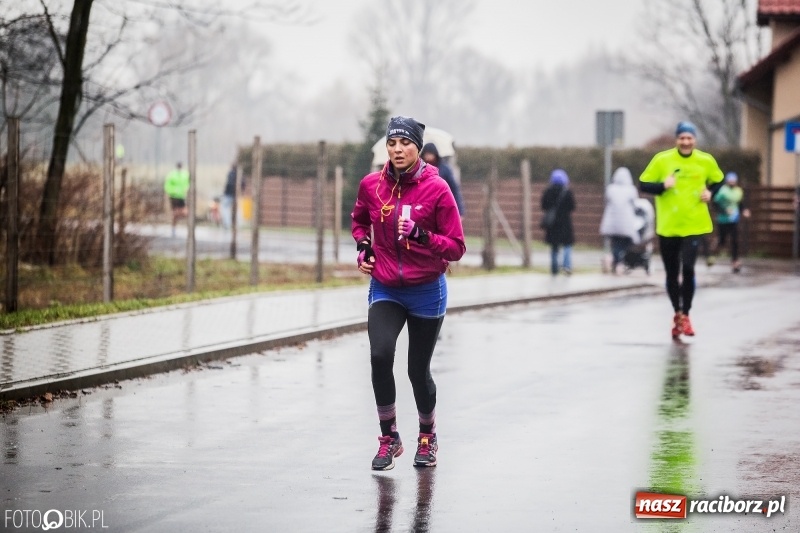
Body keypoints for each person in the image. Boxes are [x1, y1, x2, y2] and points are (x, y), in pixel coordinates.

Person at [351, 116, 466, 471]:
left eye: (405, 143)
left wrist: (422, 236)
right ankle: (389, 439)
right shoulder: (372, 186)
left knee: (418, 370)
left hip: (426, 290)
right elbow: (358, 220)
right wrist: (364, 246)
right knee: (380, 355)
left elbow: (457, 247)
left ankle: (428, 437)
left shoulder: (437, 189)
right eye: (392, 143)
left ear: (418, 147)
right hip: (386, 285)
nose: (398, 149)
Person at [639, 121, 724, 339]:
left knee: (688, 269)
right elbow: (643, 185)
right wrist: (662, 186)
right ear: (676, 139)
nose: (686, 142)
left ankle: (686, 315)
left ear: (695, 140)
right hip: (668, 226)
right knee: (671, 273)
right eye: (682, 138)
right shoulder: (662, 160)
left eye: (689, 138)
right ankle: (676, 313)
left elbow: (719, 181)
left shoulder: (705, 161)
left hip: (694, 224)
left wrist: (711, 193)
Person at [599, 167, 641, 274]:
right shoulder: (631, 190)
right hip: (626, 223)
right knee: (626, 243)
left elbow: (607, 201)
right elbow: (635, 204)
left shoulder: (610, 189)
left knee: (615, 244)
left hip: (612, 223)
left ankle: (614, 260)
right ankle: (619, 262)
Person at [711, 171, 750, 273]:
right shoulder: (722, 191)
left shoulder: (738, 191)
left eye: (734, 181)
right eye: (730, 181)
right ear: (727, 181)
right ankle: (713, 254)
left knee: (735, 240)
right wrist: (724, 211)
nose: (732, 183)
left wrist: (744, 210)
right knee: (722, 240)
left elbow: (740, 204)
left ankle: (735, 262)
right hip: (723, 220)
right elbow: (715, 204)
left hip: (734, 219)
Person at [541, 168, 576, 275]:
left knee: (554, 246)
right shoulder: (567, 192)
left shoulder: (548, 191)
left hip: (553, 224)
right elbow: (572, 207)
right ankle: (566, 266)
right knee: (567, 245)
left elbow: (543, 206)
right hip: (565, 223)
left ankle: (554, 268)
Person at [420, 143, 466, 217]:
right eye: (426, 154)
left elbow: (454, 189)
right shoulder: (420, 169)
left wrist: (460, 211)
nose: (428, 157)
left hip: (442, 206)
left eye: (430, 154)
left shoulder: (444, 169)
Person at [164, 162, 190, 237]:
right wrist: (171, 192)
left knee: (184, 212)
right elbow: (167, 185)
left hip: (181, 196)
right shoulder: (172, 175)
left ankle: (177, 225)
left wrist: (186, 190)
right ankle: (173, 228)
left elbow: (188, 183)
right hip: (174, 196)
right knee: (175, 213)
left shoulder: (184, 174)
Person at [220, 163, 245, 230]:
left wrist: (225, 191)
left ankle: (227, 224)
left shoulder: (231, 174)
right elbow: (243, 184)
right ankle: (239, 224)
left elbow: (229, 184)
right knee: (238, 209)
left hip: (228, 194)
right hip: (236, 195)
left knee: (225, 208)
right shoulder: (241, 175)